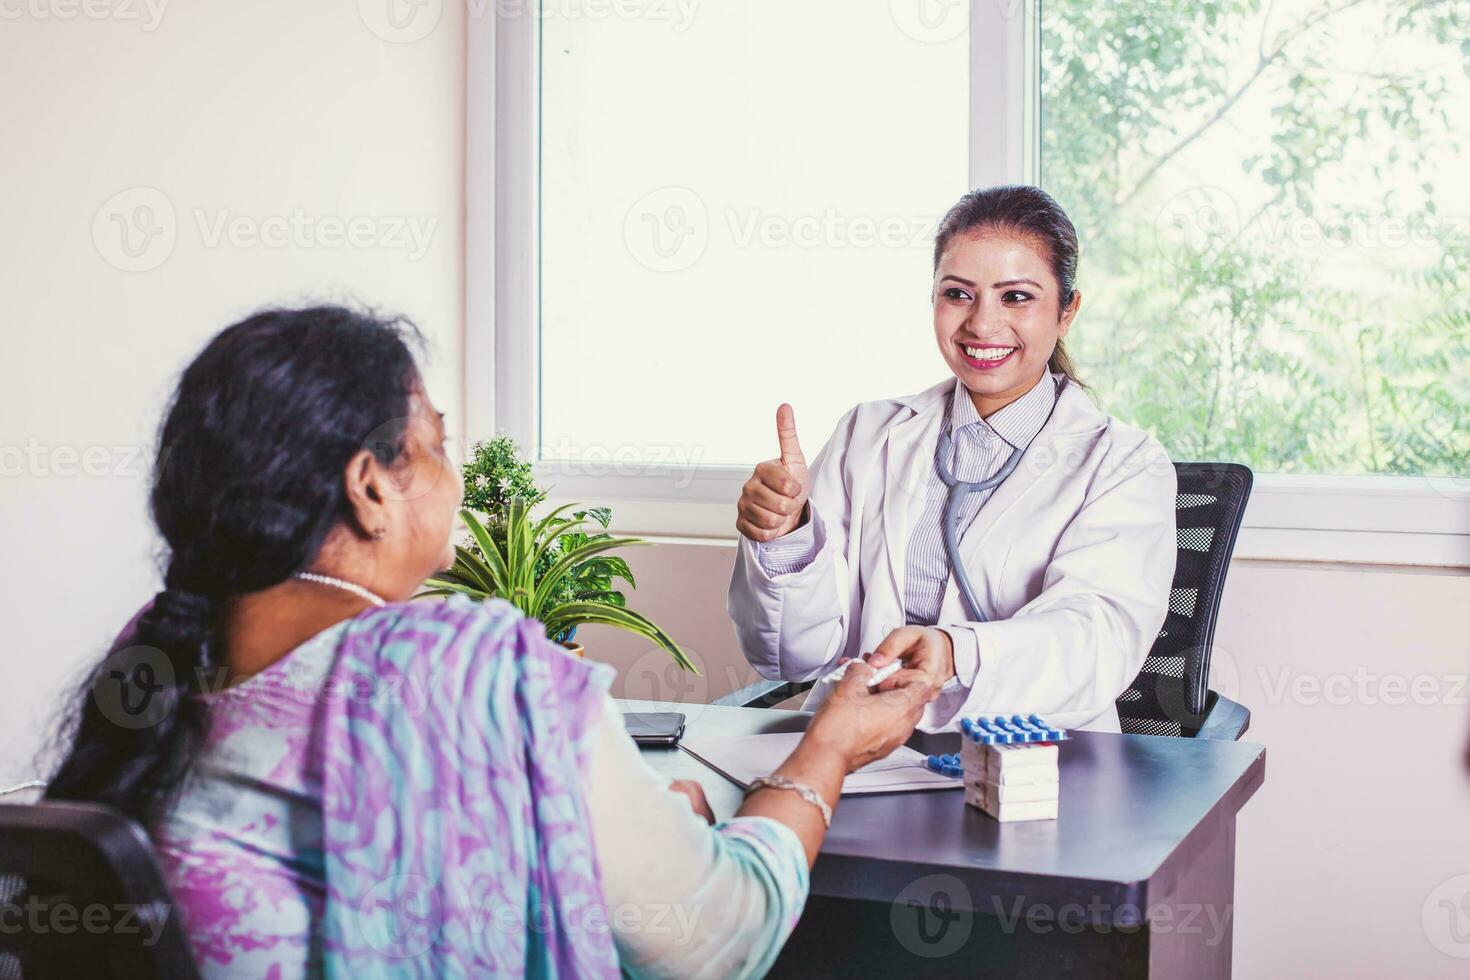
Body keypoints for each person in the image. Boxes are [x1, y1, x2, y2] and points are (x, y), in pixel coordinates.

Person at [44, 306, 927, 978]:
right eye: (436, 447)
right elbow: (720, 933)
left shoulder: (160, 662)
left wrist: (578, 835)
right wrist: (830, 750)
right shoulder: (478, 677)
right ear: (370, 489)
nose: (453, 475)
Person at [727, 185, 1177, 734]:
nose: (982, 325)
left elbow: (1093, 641)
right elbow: (792, 657)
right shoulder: (867, 435)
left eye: (1016, 297)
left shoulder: (1123, 463)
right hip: (857, 749)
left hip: (1032, 765)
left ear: (1067, 311)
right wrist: (787, 534)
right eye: (958, 294)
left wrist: (955, 652)